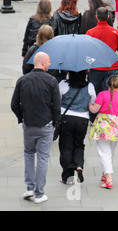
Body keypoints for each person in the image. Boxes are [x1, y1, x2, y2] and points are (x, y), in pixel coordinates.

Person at [11, 52, 61, 204]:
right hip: (45, 125)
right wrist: (55, 124)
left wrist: (22, 117)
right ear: (44, 63)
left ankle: (30, 188)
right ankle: (39, 194)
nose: (50, 64)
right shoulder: (52, 81)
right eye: (49, 61)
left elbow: (14, 104)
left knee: (28, 154)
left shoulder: (23, 80)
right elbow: (57, 107)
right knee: (43, 158)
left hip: (29, 124)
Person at [58, 71, 97, 184]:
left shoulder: (63, 84)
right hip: (83, 119)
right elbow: (92, 102)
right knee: (79, 144)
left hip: (66, 118)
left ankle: (67, 177)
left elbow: (58, 100)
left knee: (66, 147)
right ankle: (79, 165)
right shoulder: (89, 86)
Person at [89, 75, 118, 189]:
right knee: (110, 152)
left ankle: (109, 178)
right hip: (116, 126)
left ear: (107, 84)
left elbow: (94, 109)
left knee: (104, 152)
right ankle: (105, 174)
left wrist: (89, 103)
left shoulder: (102, 95)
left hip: (103, 126)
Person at [86, 7, 118, 96]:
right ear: (108, 17)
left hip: (95, 68)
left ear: (97, 17)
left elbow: (87, 53)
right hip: (112, 67)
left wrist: (87, 68)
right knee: (110, 95)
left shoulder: (90, 33)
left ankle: (96, 109)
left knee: (95, 95)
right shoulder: (115, 32)